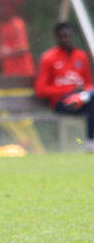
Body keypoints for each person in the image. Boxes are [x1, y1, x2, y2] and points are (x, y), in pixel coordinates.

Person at [34, 21, 94, 153]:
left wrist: (84, 91)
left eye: (68, 36)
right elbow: (40, 89)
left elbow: (88, 83)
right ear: (57, 37)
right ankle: (91, 144)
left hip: (83, 100)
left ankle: (91, 144)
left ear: (72, 36)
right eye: (63, 36)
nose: (66, 39)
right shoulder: (48, 58)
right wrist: (69, 90)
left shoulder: (81, 56)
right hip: (62, 103)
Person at [0, 2, 35, 77]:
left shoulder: (17, 25)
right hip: (8, 72)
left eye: (2, 8)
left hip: (23, 73)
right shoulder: (2, 25)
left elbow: (24, 49)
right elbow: (6, 47)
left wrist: (6, 54)